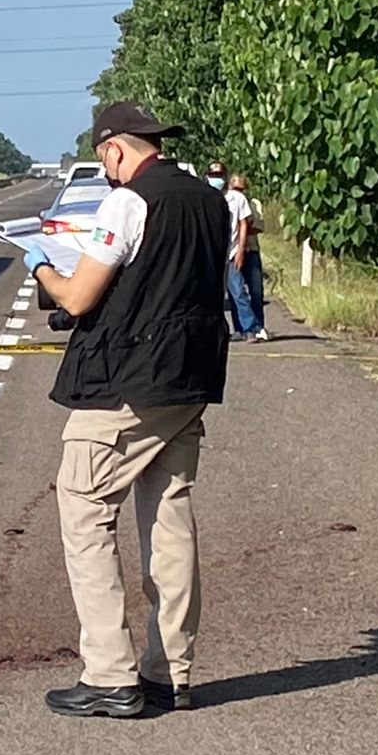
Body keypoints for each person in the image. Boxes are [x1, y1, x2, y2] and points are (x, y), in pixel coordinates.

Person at [25, 103, 229, 718]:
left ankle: (110, 674)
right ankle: (173, 672)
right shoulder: (211, 200)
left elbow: (82, 295)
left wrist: (41, 267)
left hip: (127, 382)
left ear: (114, 150)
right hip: (190, 377)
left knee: (84, 507)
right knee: (170, 517)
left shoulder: (126, 202)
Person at [209, 161, 266, 342]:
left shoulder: (237, 198)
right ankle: (238, 329)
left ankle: (252, 328)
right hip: (217, 253)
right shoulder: (207, 197)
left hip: (234, 251)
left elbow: (243, 224)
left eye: (219, 176)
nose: (216, 180)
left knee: (240, 291)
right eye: (213, 176)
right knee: (223, 294)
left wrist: (240, 250)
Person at [229, 173, 267, 340]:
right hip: (233, 250)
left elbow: (258, 226)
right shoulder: (229, 201)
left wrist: (242, 225)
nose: (240, 192)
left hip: (251, 250)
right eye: (237, 188)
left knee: (256, 292)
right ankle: (242, 329)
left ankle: (258, 326)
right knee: (236, 292)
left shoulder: (253, 204)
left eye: (242, 189)